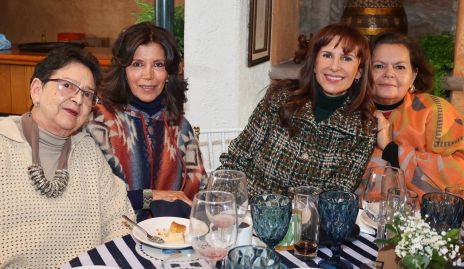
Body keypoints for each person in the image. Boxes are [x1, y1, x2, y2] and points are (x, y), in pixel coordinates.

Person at [0, 46, 135, 268]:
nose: (78, 99)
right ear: (36, 90)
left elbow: (121, 220)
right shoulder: (4, 144)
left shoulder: (88, 152)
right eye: (67, 86)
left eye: (87, 94)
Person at [219, 23, 377, 197]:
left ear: (359, 71)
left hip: (308, 221)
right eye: (327, 55)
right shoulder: (280, 97)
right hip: (248, 212)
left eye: (346, 58)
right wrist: (219, 205)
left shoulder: (364, 127)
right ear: (315, 63)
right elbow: (236, 160)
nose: (334, 66)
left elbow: (336, 197)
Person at [86, 22, 206, 221]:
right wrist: (151, 197)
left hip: (172, 239)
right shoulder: (98, 122)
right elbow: (90, 198)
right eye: (137, 64)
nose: (148, 75)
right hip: (113, 235)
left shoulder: (180, 126)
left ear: (169, 72)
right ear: (123, 69)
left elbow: (198, 195)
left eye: (158, 65)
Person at [369, 32, 464, 198]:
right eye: (379, 66)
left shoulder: (435, 110)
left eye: (399, 67)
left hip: (422, 220)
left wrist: (391, 150)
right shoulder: (351, 113)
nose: (388, 74)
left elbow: (458, 174)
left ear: (414, 75)